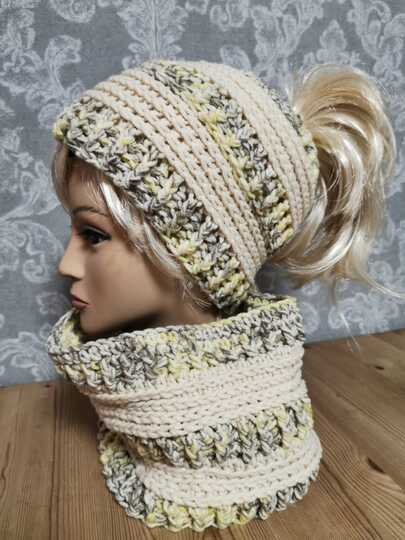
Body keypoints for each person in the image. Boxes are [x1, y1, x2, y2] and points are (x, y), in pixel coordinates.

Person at [45, 58, 402, 532]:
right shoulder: (119, 399)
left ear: (189, 251)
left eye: (93, 235)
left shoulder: (265, 439)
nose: (66, 265)